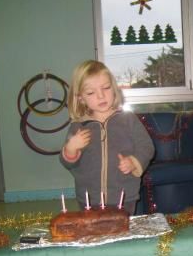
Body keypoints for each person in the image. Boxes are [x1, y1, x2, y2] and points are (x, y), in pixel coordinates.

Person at [60, 60, 154, 213]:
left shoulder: (128, 120)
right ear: (80, 98)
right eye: (91, 93)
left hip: (124, 197)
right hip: (89, 199)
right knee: (93, 235)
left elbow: (147, 146)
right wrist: (71, 148)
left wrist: (133, 161)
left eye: (106, 88)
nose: (101, 96)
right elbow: (67, 162)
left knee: (122, 232)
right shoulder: (78, 126)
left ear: (114, 88)